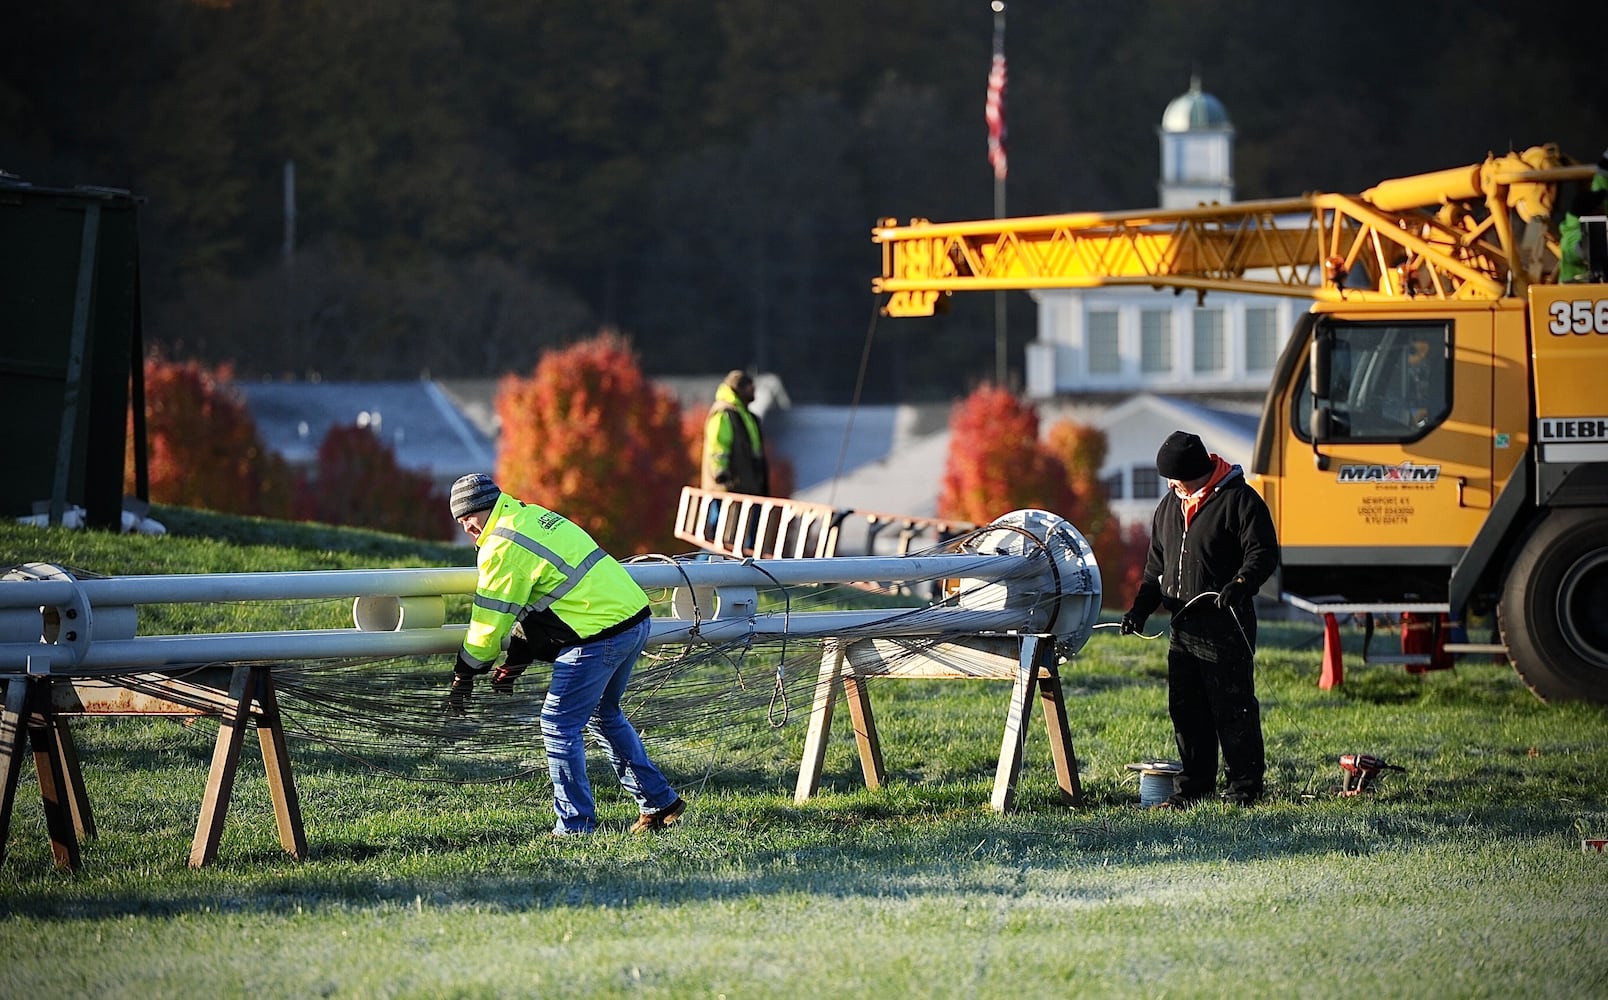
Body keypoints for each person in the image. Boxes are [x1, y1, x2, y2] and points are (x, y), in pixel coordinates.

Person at [446, 473, 685, 836]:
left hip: (598, 634)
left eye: (467, 517)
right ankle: (658, 803)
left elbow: (487, 624)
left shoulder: (501, 546)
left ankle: (574, 826)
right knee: (603, 715)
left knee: (558, 724)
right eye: (460, 521)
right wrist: (516, 661)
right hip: (632, 621)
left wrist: (466, 671)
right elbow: (544, 597)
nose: (466, 526)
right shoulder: (531, 516)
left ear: (484, 508)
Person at [1120, 431, 1279, 807]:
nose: (1171, 485)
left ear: (1194, 472)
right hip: (1183, 629)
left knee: (1233, 709)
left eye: (1174, 478)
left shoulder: (1240, 500)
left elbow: (1263, 553)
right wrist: (1139, 610)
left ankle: (1244, 789)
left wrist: (1242, 584)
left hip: (1227, 625)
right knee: (1186, 710)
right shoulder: (1168, 507)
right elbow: (1154, 570)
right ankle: (1193, 789)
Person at [701, 370, 769, 546]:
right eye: (750, 387)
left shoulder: (745, 414)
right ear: (740, 389)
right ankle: (706, 571)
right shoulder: (725, 413)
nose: (754, 391)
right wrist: (720, 472)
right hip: (727, 488)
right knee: (721, 539)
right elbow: (718, 445)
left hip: (747, 487)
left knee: (742, 541)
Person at [1559, 146, 1608, 283]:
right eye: (1600, 208)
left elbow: (1602, 183)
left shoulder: (1574, 228)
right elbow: (1589, 251)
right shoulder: (1573, 239)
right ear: (1592, 213)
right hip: (1573, 297)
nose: (1604, 210)